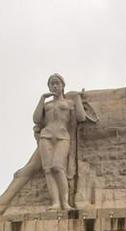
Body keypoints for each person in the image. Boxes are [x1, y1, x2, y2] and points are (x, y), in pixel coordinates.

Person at [33, 73, 87, 210]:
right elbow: (36, 119)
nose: (55, 86)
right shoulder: (47, 104)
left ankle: (65, 202)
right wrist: (41, 99)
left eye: (57, 83)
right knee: (48, 170)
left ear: (63, 86)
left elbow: (81, 118)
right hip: (46, 136)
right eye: (52, 84)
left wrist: (77, 99)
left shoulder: (69, 103)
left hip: (62, 136)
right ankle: (55, 203)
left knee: (57, 167)